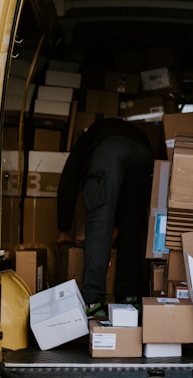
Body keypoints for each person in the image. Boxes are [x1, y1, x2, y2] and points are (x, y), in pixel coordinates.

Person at [57, 117, 154, 317]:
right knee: (132, 227)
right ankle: (130, 298)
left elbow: (69, 181)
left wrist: (63, 228)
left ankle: (93, 302)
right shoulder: (128, 130)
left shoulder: (88, 139)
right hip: (144, 154)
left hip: (111, 152)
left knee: (100, 225)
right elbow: (123, 201)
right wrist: (120, 223)